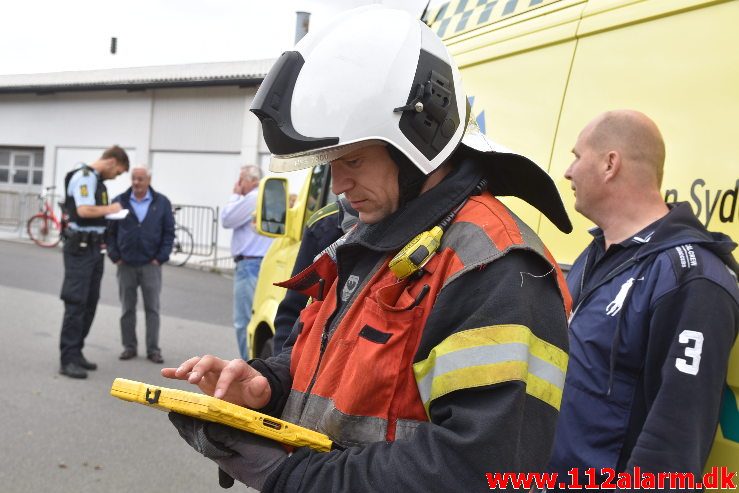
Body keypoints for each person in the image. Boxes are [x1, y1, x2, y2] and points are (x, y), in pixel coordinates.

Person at [161, 6, 573, 491]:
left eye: (353, 158)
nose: (338, 183)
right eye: (333, 162)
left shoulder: (493, 269)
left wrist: (290, 477)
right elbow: (319, 365)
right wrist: (265, 387)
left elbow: (481, 469)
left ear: (419, 139)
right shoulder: (377, 238)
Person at [547, 110, 739, 485]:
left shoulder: (694, 278)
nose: (568, 172)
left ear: (609, 164)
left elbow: (674, 441)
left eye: (576, 156)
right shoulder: (599, 252)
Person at [58, 145, 129, 379]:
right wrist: (113, 208)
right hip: (80, 249)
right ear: (111, 161)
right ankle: (67, 359)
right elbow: (85, 210)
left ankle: (76, 351)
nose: (116, 176)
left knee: (89, 303)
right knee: (76, 302)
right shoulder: (84, 177)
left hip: (93, 249)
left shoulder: (97, 182)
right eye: (118, 172)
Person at [271, 197, 357, 354]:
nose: (338, 188)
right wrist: (280, 372)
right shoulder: (325, 225)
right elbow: (292, 313)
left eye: (357, 170)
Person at [107, 164, 175, 364]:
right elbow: (109, 232)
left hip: (150, 265)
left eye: (140, 179)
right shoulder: (119, 201)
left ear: (148, 180)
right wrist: (114, 255)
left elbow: (168, 233)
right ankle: (129, 347)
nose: (136, 183)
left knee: (152, 309)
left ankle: (153, 349)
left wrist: (160, 257)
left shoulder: (161, 203)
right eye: (134, 179)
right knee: (127, 308)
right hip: (125, 264)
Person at [221, 164, 273, 360]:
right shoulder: (266, 196)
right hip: (260, 263)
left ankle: (246, 364)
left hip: (249, 264)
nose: (238, 184)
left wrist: (235, 196)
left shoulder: (252, 197)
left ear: (251, 180)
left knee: (243, 321)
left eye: (241, 179)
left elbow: (227, 219)